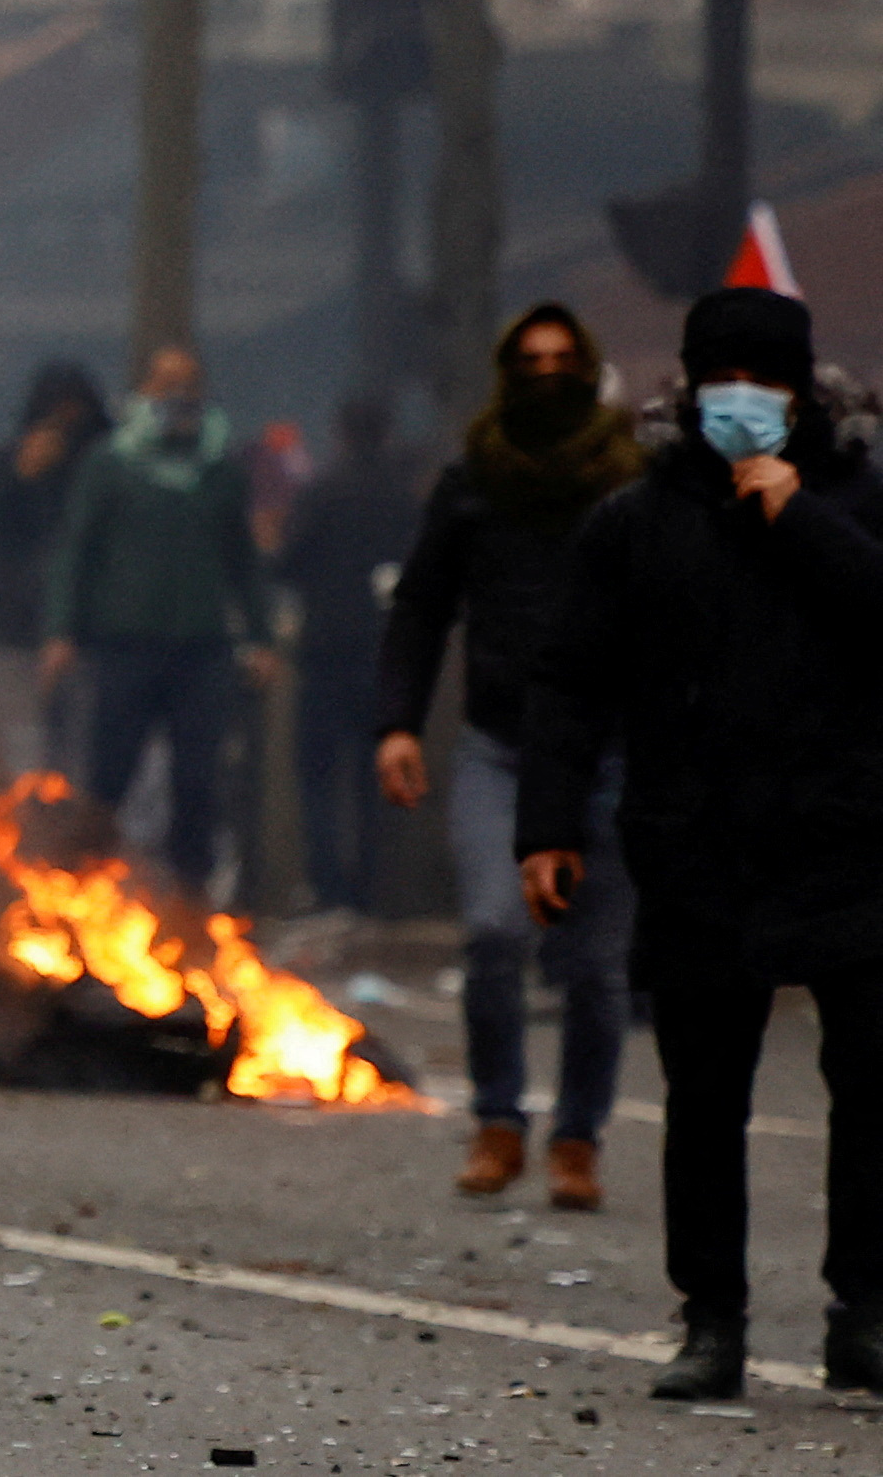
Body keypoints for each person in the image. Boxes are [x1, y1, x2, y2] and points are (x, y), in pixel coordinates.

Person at [519, 289, 883, 1400]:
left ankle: (863, 1313)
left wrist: (801, 518)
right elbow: (570, 682)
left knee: (869, 1088)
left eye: (762, 380)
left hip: (847, 839)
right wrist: (549, 825)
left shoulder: (860, 499)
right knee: (705, 1093)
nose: (740, 401)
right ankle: (711, 1320)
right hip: (696, 843)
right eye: (719, 378)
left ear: (800, 390)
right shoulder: (636, 521)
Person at [374, 303, 642, 1210]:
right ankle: (498, 1121)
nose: (549, 375)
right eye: (531, 361)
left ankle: (578, 1137)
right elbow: (420, 606)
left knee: (596, 966)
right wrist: (398, 722)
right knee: (493, 931)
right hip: (500, 745)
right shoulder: (474, 481)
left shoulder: (628, 482)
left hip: (610, 752)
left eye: (566, 358)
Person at [40, 344, 276, 890]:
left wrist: (260, 635)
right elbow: (76, 550)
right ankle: (79, 890)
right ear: (143, 392)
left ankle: (190, 894)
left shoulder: (220, 470)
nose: (178, 398)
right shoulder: (110, 464)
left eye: (189, 385)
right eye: (166, 384)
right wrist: (61, 631)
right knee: (108, 775)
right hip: (124, 645)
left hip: (201, 648)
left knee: (198, 778)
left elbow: (243, 560)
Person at [277, 394, 418, 913]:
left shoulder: (320, 492)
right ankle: (371, 892)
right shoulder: (403, 498)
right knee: (371, 781)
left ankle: (326, 888)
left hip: (323, 653)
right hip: (382, 655)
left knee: (317, 778)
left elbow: (287, 563)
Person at [0, 361, 110, 780]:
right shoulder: (2, 465)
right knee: (25, 753)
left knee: (83, 753)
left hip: (90, 636)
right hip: (15, 634)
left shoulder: (105, 470)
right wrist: (20, 477)